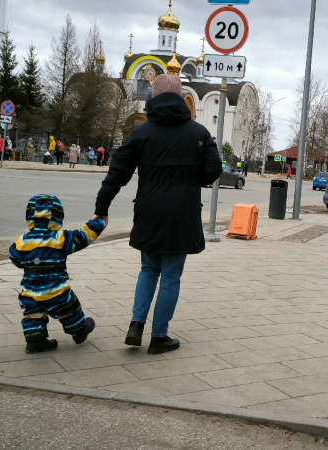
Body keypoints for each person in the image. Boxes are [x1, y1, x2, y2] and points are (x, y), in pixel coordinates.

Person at [94, 74, 222, 355]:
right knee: (171, 275)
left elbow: (117, 174)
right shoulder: (198, 133)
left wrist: (101, 208)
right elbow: (214, 168)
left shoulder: (141, 133)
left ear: (153, 98)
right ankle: (159, 336)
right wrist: (192, 180)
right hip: (182, 212)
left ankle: (136, 325)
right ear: (181, 98)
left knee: (148, 269)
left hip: (149, 209)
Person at [9, 194, 107, 354]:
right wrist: (100, 222)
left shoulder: (22, 241)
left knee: (33, 314)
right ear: (57, 217)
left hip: (32, 292)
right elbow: (83, 236)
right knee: (70, 308)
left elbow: (14, 257)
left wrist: (29, 261)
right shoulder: (60, 239)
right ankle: (79, 330)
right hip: (57, 291)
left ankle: (35, 341)